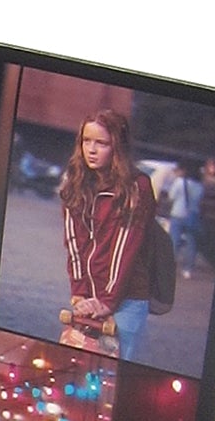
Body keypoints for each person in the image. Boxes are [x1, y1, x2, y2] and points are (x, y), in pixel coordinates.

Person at [58, 107, 158, 360]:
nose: (91, 149)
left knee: (113, 370)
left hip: (127, 299)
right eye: (86, 141)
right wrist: (79, 293)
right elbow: (74, 244)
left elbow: (125, 248)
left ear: (117, 147)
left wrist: (107, 300)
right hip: (89, 297)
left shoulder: (136, 186)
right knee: (73, 363)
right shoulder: (75, 183)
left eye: (101, 143)